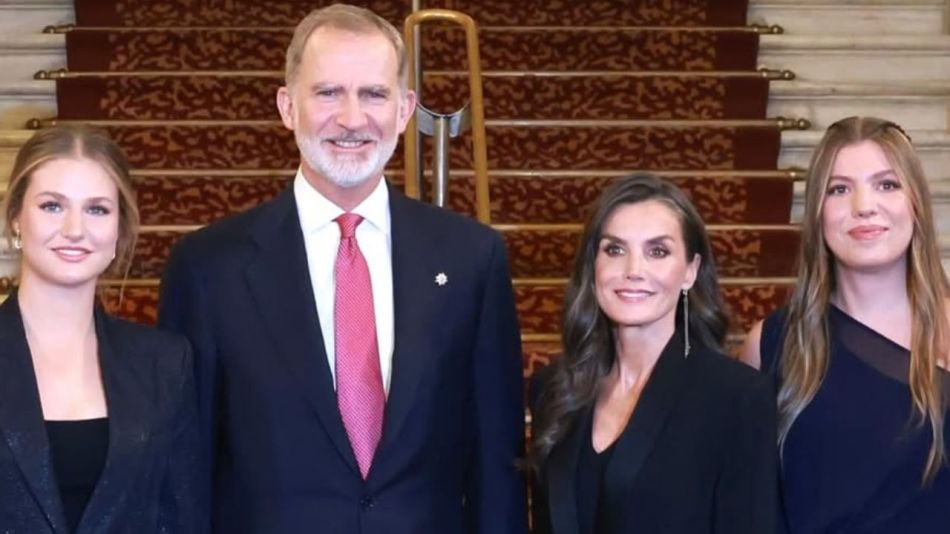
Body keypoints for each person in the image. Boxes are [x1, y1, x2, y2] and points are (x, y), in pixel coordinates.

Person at [157, 4, 526, 533]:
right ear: (288, 107)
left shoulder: (472, 259)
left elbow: (496, 463)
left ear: (405, 110)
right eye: (328, 92)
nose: (352, 118)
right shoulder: (208, 268)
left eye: (374, 94)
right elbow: (184, 468)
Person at [530, 174, 777, 534]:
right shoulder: (552, 389)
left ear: (690, 271)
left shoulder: (737, 397)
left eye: (657, 251)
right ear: (593, 265)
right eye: (615, 250)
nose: (633, 271)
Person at [741, 116, 950, 533]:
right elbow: (745, 504)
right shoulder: (769, 343)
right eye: (839, 189)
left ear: (916, 204)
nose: (864, 206)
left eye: (886, 184)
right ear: (818, 212)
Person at [0, 125, 203, 533]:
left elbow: (183, 519)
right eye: (52, 206)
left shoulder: (164, 363)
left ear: (118, 232)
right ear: (16, 219)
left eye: (97, 209)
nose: (75, 229)